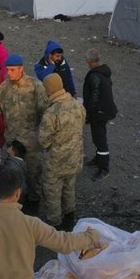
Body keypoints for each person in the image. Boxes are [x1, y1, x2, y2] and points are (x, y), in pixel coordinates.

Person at [0, 55, 49, 207]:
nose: (9, 73)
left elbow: (46, 112)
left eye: (12, 70)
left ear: (21, 69)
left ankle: (34, 203)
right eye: (7, 70)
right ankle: (17, 205)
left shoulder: (35, 86)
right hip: (13, 142)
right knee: (13, 176)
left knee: (33, 175)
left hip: (32, 142)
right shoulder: (3, 88)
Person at [39, 74, 86, 229]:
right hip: (74, 158)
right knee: (69, 188)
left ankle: (54, 224)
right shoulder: (77, 105)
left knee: (52, 193)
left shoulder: (51, 112)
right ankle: (69, 217)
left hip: (55, 163)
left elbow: (43, 140)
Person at [82, 48, 117, 181]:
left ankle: (104, 168)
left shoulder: (94, 75)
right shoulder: (104, 72)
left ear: (90, 61)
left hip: (99, 113)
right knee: (98, 136)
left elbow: (94, 97)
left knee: (100, 139)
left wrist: (88, 113)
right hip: (105, 110)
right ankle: (98, 159)